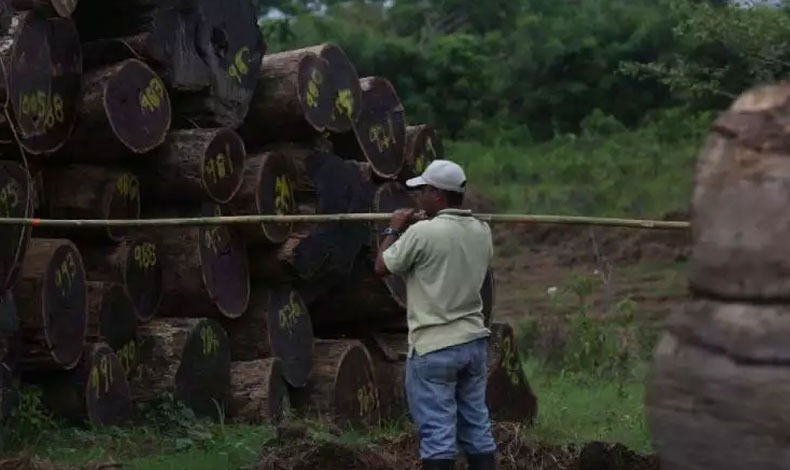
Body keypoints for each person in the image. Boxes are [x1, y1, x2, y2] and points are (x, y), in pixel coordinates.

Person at [374, 159, 497, 470]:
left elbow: (381, 266)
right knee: (477, 430)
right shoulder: (482, 231)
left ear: (438, 195)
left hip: (434, 347)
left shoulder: (423, 233)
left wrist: (394, 228)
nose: (418, 199)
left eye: (423, 192)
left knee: (438, 437)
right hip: (473, 343)